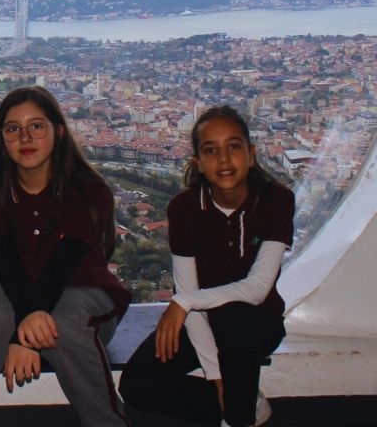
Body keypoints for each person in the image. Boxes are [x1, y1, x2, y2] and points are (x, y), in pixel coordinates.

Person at [0, 86, 131, 427]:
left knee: (63, 322)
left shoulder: (87, 190)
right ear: (1, 139)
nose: (25, 137)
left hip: (85, 292)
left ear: (58, 131)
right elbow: (7, 265)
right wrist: (20, 328)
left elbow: (61, 267)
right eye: (13, 129)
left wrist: (20, 339)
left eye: (36, 126)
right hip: (16, 289)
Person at [118, 105, 295, 427]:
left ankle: (237, 418)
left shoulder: (276, 200)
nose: (224, 159)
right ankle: (243, 405)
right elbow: (189, 290)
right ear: (198, 162)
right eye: (211, 150)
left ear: (251, 154)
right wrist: (216, 378)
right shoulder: (184, 208)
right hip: (198, 319)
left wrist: (184, 302)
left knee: (232, 324)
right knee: (136, 384)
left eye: (234, 147)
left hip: (256, 322)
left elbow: (257, 288)